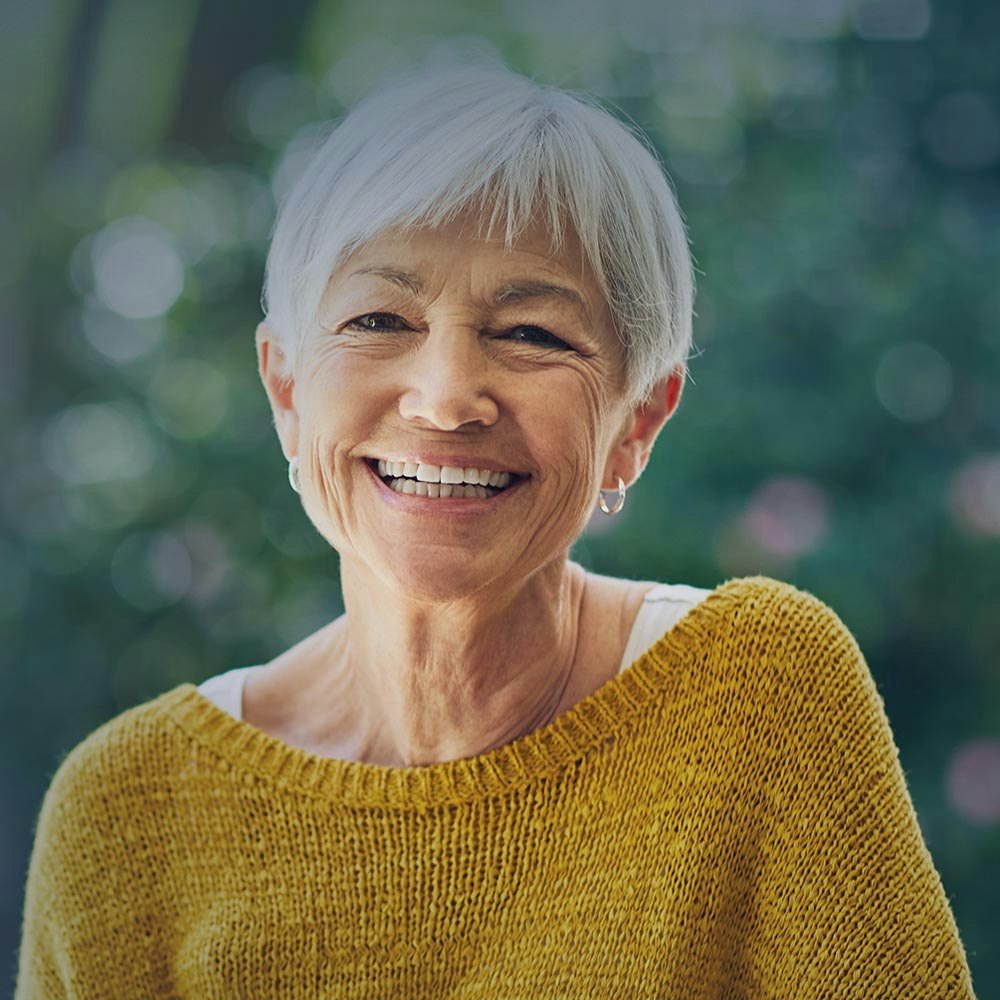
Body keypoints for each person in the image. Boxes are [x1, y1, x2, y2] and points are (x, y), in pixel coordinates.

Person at [15, 57, 976, 998]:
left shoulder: (762, 697)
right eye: (380, 319)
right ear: (286, 390)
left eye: (531, 334)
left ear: (636, 421)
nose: (444, 399)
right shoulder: (127, 815)